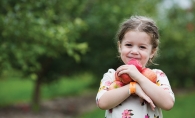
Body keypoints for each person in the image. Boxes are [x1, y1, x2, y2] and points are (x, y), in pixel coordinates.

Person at [96, 16, 175, 118]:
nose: (134, 51)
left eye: (142, 47)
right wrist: (132, 88)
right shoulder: (112, 76)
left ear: (152, 52)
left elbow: (168, 104)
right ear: (120, 47)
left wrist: (138, 77)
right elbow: (102, 103)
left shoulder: (157, 76)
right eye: (129, 45)